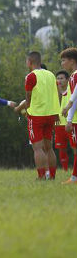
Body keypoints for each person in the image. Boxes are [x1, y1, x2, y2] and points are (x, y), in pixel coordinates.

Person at [15, 51, 60, 180]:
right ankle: (52, 176)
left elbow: (28, 95)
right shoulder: (51, 75)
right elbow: (56, 94)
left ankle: (41, 176)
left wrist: (28, 108)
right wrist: (56, 112)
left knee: (37, 148)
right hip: (50, 114)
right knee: (49, 147)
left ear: (29, 62)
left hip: (36, 115)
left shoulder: (31, 76)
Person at [59, 47, 77, 184]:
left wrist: (69, 119)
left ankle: (74, 177)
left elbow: (75, 98)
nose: (62, 63)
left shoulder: (74, 76)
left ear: (72, 61)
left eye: (64, 60)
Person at [55, 70, 71, 172]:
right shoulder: (54, 92)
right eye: (58, 78)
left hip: (71, 123)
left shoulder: (71, 90)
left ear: (67, 80)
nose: (59, 80)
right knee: (61, 149)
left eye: (62, 78)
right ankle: (65, 170)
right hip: (59, 125)